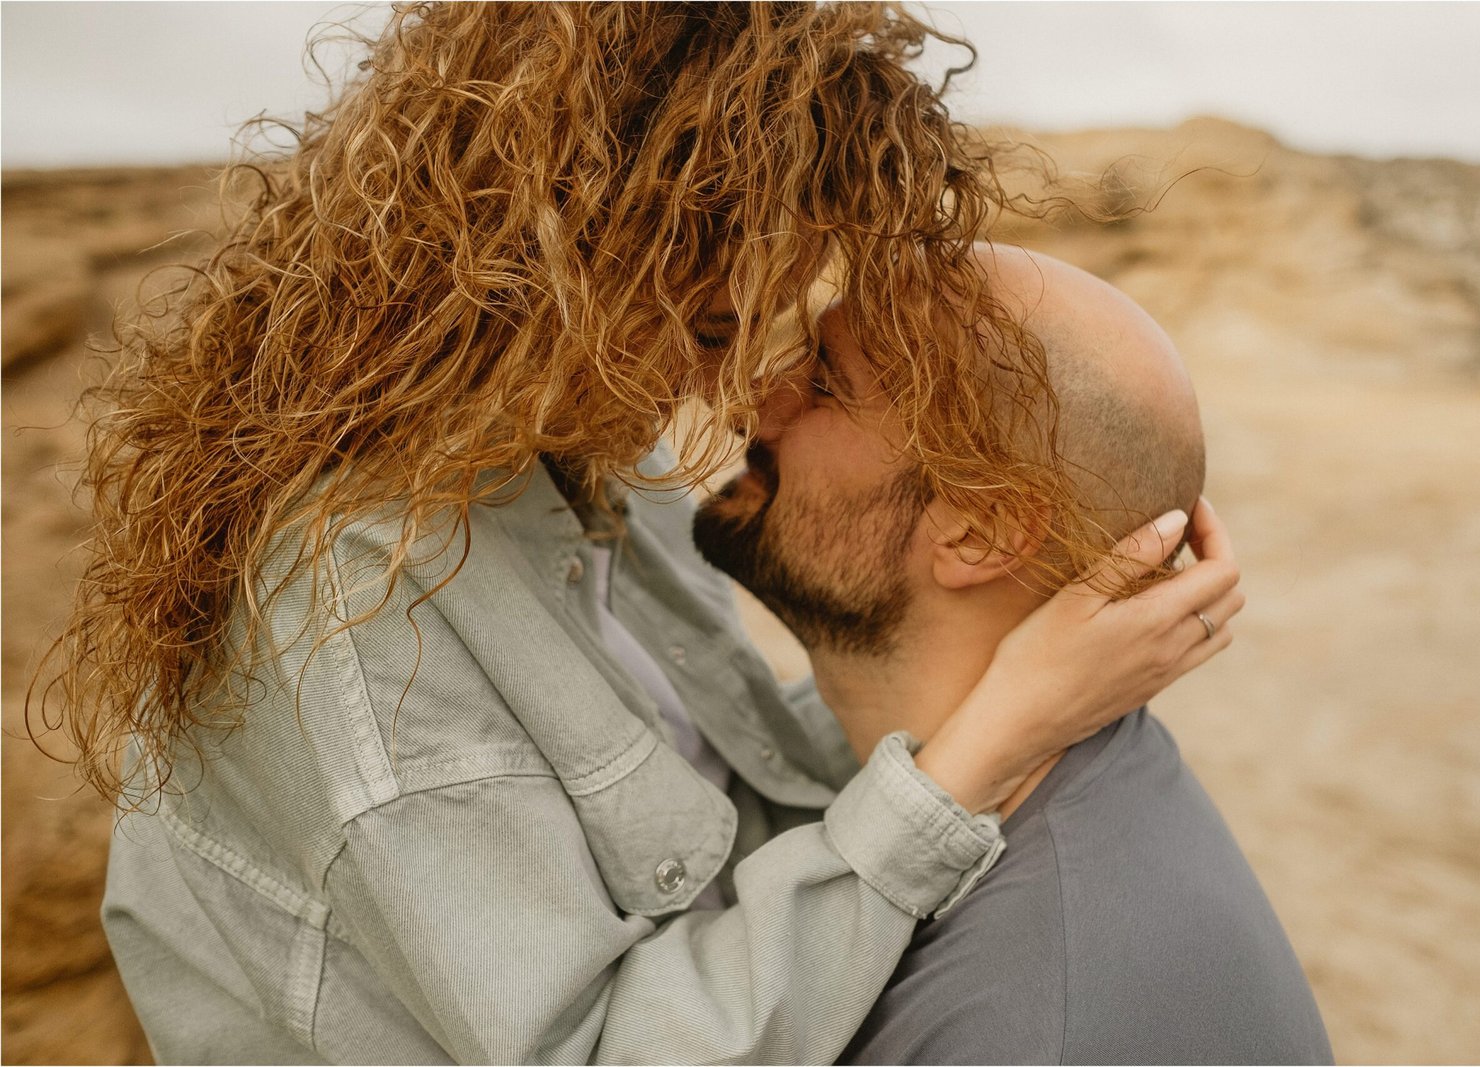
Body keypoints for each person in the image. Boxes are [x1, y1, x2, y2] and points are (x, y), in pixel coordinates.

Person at [35, 6, 1242, 1063]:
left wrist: (1027, 660)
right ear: (557, 282)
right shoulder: (357, 600)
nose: (732, 389)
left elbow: (740, 778)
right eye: (710, 325)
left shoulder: (598, 467)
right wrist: (983, 746)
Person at [693, 244, 1330, 1065]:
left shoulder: (1022, 1016)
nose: (754, 405)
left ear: (981, 529)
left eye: (824, 384)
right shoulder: (1085, 805)